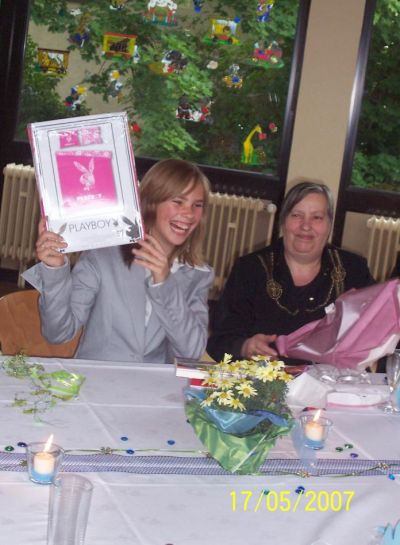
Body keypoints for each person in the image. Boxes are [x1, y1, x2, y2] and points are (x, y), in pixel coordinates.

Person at [23, 159, 214, 363]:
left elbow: (192, 352)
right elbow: (58, 333)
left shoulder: (197, 274)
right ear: (152, 202)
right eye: (178, 202)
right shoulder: (103, 256)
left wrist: (164, 283)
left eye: (197, 205)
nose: (189, 214)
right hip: (98, 379)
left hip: (154, 382)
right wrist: (54, 269)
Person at [207, 181, 374, 363]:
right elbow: (219, 341)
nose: (306, 226)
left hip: (334, 378)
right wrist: (245, 346)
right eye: (296, 215)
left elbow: (378, 325)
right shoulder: (250, 269)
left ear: (329, 225)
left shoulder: (354, 269)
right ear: (283, 221)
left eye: (317, 217)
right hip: (265, 378)